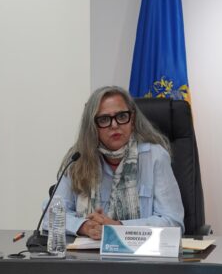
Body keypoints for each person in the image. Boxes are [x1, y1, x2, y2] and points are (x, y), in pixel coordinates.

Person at [52, 86, 184, 239]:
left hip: (140, 252)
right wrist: (84, 226)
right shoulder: (78, 158)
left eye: (121, 116)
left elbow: (173, 222)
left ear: (132, 120)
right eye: (104, 119)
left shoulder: (154, 156)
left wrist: (119, 227)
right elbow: (52, 214)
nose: (114, 125)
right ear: (93, 126)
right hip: (88, 251)